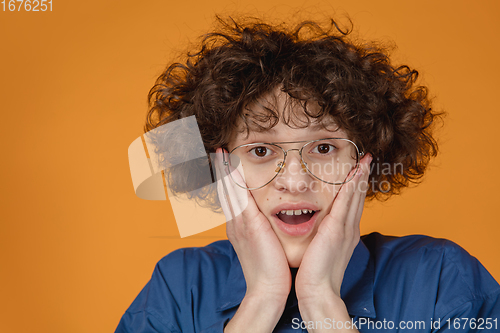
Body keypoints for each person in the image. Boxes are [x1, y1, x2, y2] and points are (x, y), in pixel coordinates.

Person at [116, 17, 500, 332]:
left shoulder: (442, 279)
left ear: (363, 161)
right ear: (219, 167)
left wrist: (321, 300)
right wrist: (262, 298)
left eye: (323, 148)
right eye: (261, 151)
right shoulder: (179, 288)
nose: (296, 181)